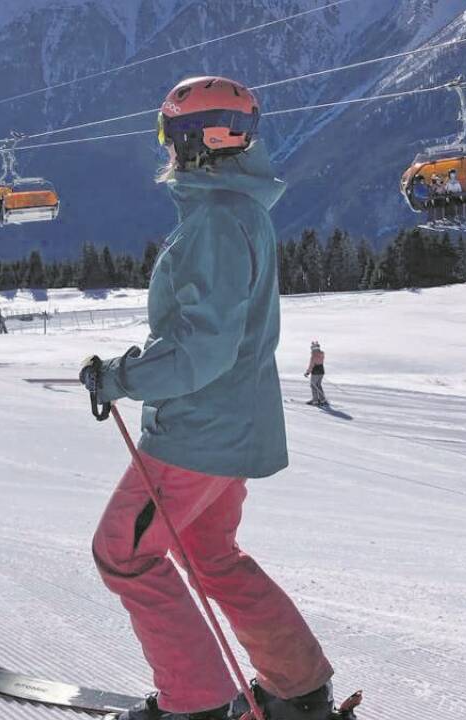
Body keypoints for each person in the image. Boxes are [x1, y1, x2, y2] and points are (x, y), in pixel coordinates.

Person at [79, 75, 347, 720]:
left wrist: (120, 377)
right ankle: (297, 688)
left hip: (198, 432)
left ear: (179, 141)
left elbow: (203, 348)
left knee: (125, 552)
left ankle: (195, 704)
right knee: (210, 553)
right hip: (233, 428)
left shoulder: (216, 221)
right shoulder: (239, 209)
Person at [304, 341, 327, 406]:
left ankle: (315, 401)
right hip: (321, 371)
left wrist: (307, 372)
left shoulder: (314, 356)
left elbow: (311, 365)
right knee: (318, 385)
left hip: (315, 372)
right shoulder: (322, 354)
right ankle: (322, 400)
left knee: (313, 386)